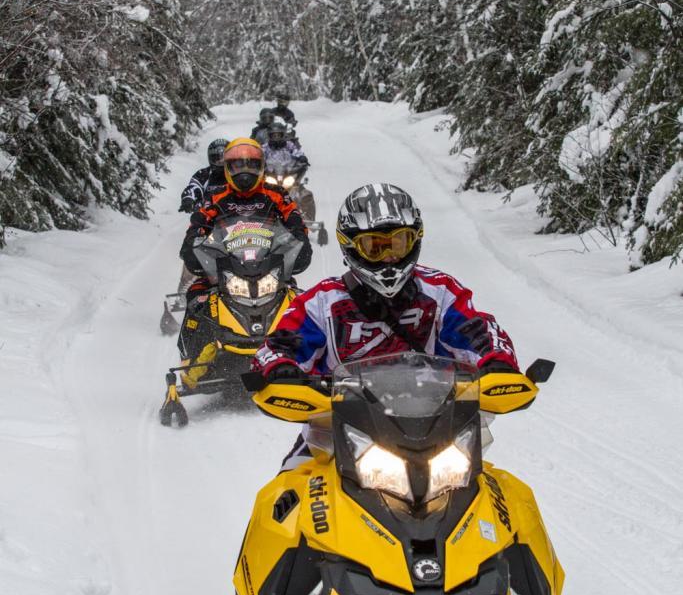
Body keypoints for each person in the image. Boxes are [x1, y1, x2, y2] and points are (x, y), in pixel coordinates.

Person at [252, 182, 518, 467]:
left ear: (414, 241)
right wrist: (281, 367)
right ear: (351, 246)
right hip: (333, 434)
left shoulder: (440, 292)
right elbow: (282, 343)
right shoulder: (322, 301)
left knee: (502, 494)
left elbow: (477, 331)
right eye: (375, 246)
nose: (389, 257)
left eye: (398, 242)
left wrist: (496, 361)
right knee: (285, 494)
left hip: (437, 430)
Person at [177, 138, 312, 380]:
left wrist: (299, 238)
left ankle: (312, 353)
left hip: (268, 264)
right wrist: (193, 241)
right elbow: (199, 222)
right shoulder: (216, 198)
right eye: (238, 166)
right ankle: (192, 363)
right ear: (227, 169)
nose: (245, 172)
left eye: (250, 165)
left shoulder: (275, 194)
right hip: (227, 265)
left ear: (260, 166)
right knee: (197, 299)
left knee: (300, 299)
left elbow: (294, 218)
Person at [179, 138, 228, 213]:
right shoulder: (204, 174)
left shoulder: (237, 172)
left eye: (225, 158)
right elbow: (194, 186)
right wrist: (188, 198)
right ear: (211, 158)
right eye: (217, 158)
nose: (221, 162)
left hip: (237, 215)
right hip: (207, 219)